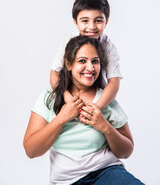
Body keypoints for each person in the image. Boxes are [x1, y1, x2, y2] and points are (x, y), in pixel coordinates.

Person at [24, 36, 145, 185]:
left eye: (95, 61)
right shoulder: (48, 98)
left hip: (106, 173)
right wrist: (62, 118)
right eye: (82, 61)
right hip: (65, 182)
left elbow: (126, 151)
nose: (90, 68)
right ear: (68, 64)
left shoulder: (105, 100)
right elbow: (31, 150)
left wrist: (105, 127)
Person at [50, 0, 122, 110]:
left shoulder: (109, 48)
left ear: (106, 22)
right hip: (68, 91)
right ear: (75, 22)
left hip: (97, 96)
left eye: (98, 21)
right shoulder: (67, 43)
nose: (92, 27)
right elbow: (54, 74)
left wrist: (96, 107)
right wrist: (67, 97)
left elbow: (114, 82)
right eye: (85, 21)